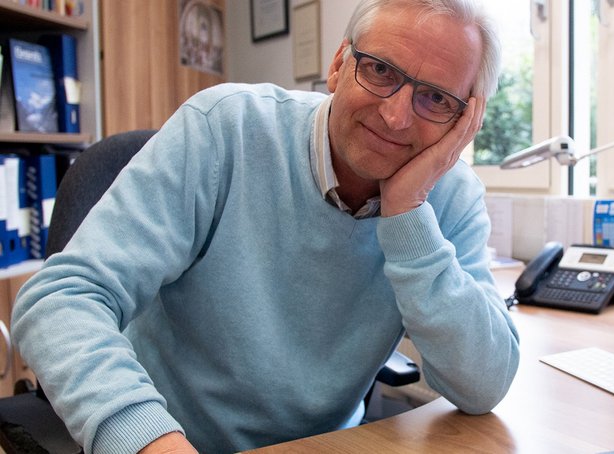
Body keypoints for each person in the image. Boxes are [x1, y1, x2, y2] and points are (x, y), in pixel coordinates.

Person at [11, 0, 520, 452]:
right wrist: (145, 437)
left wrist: (408, 212)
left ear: (465, 120)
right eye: (380, 70)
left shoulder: (449, 194)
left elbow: (483, 385)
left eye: (436, 99)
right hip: (170, 438)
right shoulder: (225, 129)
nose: (396, 117)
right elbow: (59, 300)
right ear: (339, 64)